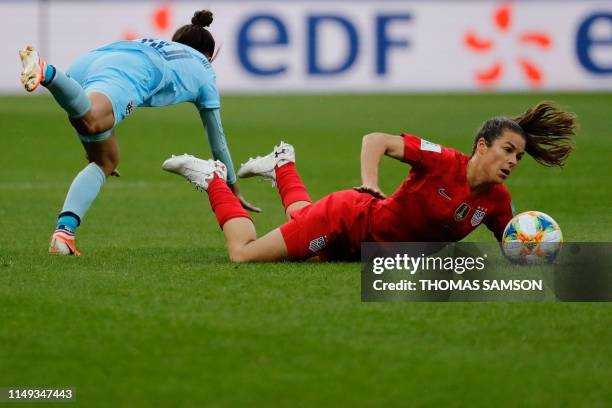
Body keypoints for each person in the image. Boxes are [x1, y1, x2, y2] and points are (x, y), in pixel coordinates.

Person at [162, 102, 577, 262]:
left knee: (301, 224)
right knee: (244, 254)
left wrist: (538, 250)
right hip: (348, 219)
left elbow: (518, 245)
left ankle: (282, 166)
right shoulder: (441, 161)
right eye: (507, 150)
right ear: (481, 146)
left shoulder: (498, 201)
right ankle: (214, 178)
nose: (512, 160)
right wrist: (369, 182)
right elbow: (375, 140)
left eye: (518, 156)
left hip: (364, 250)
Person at [18, 9, 258, 256]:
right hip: (136, 69)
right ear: (208, 55)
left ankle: (64, 236)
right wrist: (233, 187)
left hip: (92, 60)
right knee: (92, 121)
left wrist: (91, 148)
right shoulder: (204, 68)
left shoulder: (160, 44)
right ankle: (47, 72)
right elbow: (217, 142)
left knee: (105, 160)